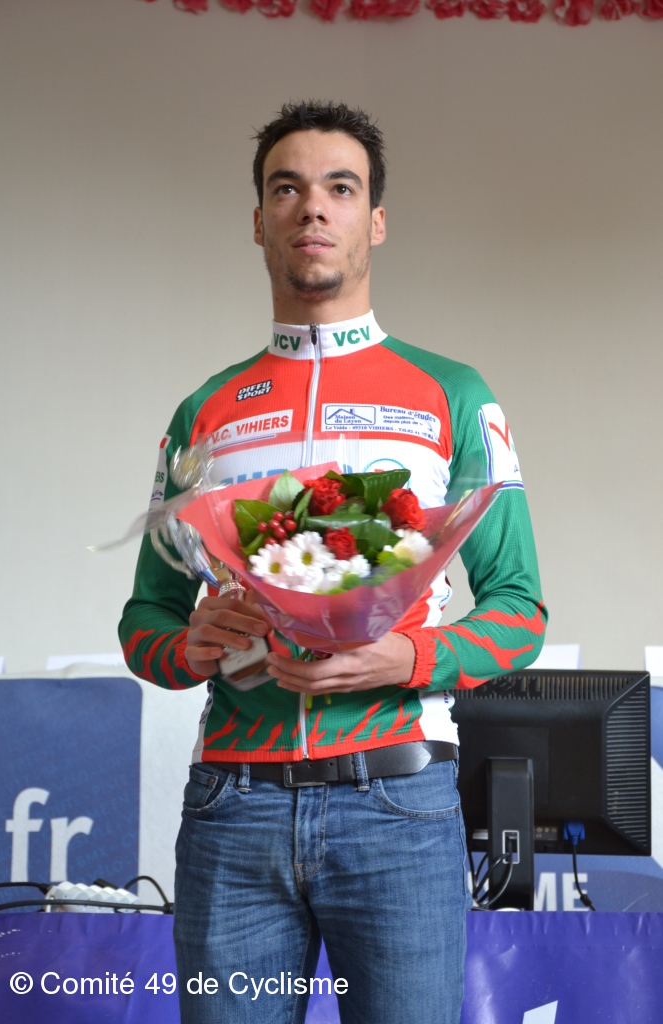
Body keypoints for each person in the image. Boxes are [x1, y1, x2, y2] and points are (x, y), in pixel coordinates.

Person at [119, 101, 547, 1024]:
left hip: (398, 803)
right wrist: (191, 645)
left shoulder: (452, 395)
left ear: (374, 220)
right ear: (258, 221)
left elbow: (519, 610)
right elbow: (143, 624)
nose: (312, 206)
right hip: (232, 808)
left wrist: (408, 658)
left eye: (339, 188)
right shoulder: (203, 412)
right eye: (287, 188)